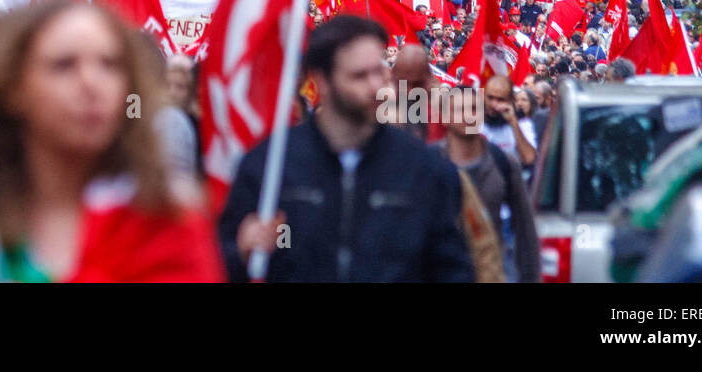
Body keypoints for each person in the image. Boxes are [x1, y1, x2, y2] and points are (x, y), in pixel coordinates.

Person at [0, 0, 222, 282]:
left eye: (110, 64)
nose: (91, 82)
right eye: (64, 65)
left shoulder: (169, 220)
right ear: (12, 87)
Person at [219, 15, 473, 282]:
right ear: (323, 81)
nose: (375, 86)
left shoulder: (423, 169)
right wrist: (241, 252)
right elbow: (220, 261)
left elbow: (452, 267)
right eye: (359, 76)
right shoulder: (271, 165)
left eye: (378, 72)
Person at [435, 86, 540, 282]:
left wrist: (530, 276)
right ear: (445, 116)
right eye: (460, 110)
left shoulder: (504, 163)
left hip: (492, 271)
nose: (468, 116)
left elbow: (525, 228)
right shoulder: (428, 164)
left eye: (474, 109)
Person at [481, 75, 538, 168]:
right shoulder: (474, 122)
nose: (494, 104)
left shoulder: (522, 123)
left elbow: (529, 158)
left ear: (511, 100)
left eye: (500, 99)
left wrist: (513, 122)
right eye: (490, 98)